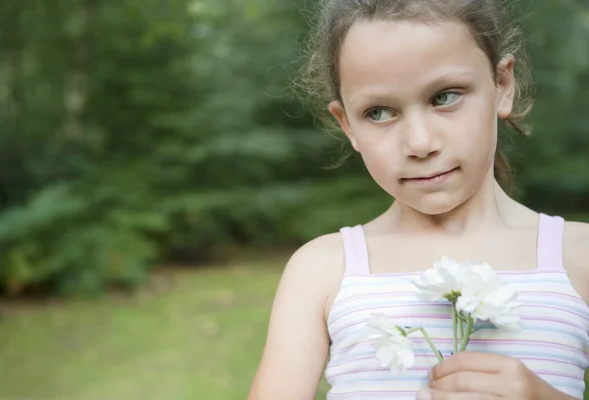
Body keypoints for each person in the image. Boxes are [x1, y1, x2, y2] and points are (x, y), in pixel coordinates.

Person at [248, 0, 589, 399]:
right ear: (348, 126)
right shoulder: (322, 271)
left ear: (502, 86)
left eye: (445, 97)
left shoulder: (578, 257)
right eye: (378, 113)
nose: (420, 143)